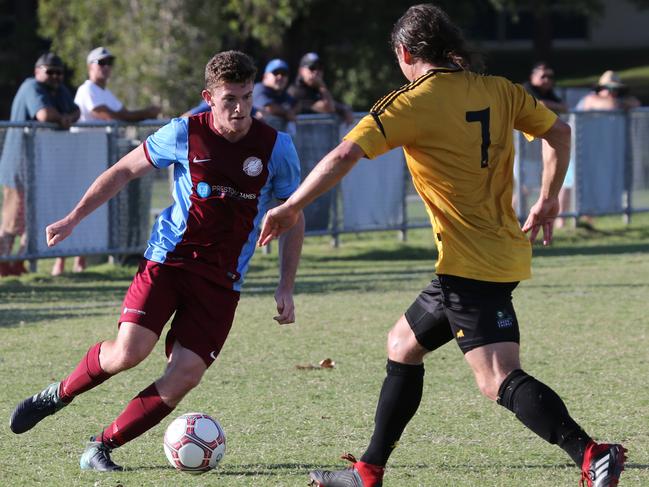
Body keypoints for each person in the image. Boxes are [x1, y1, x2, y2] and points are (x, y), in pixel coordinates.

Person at [259, 5, 625, 487]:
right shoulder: (500, 89)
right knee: (402, 344)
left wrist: (291, 207)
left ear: (405, 52)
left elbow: (346, 152)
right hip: (496, 252)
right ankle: (368, 471)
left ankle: (592, 452)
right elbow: (559, 131)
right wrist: (549, 200)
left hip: (469, 265)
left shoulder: (411, 102)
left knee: (496, 377)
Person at [9, 50, 305, 472]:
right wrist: (74, 218)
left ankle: (101, 446)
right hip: (169, 261)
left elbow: (293, 216)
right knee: (128, 352)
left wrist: (285, 284)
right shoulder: (185, 133)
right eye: (229, 100)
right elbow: (123, 171)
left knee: (185, 374)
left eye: (245, 97)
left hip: (222, 279)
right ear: (209, 97)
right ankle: (58, 394)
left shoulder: (277, 147)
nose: (240, 110)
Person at [50, 46, 162, 276]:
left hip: (97, 158)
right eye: (101, 62)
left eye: (109, 62)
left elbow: (121, 113)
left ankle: (80, 262)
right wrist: (144, 113)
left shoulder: (105, 93)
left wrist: (140, 114)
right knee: (73, 206)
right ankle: (58, 262)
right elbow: (110, 116)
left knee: (90, 207)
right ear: (90, 66)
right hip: (80, 157)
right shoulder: (87, 89)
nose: (106, 66)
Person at [0, 52, 80, 277]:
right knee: (11, 221)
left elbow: (76, 111)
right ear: (37, 72)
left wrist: (66, 118)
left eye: (59, 72)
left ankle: (19, 263)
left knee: (32, 220)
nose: (55, 76)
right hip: (18, 165)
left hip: (40, 167)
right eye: (49, 71)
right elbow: (44, 114)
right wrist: (61, 118)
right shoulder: (31, 87)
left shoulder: (59, 90)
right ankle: (3, 262)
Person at [557, 70, 641, 230]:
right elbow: (612, 105)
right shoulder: (591, 99)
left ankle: (586, 222)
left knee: (588, 184)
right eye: (609, 89)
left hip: (591, 152)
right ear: (600, 88)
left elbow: (635, 103)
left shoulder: (617, 100)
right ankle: (560, 220)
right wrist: (621, 104)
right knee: (567, 185)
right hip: (574, 149)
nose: (612, 93)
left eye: (616, 90)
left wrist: (623, 102)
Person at [288, 52, 354, 125]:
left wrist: (344, 109)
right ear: (301, 71)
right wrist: (322, 86)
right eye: (312, 68)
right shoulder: (296, 91)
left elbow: (333, 104)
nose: (316, 72)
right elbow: (328, 107)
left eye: (320, 68)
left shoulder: (315, 88)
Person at [253, 58, 299, 132]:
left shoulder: (282, 93)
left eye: (284, 74)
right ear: (265, 76)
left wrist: (292, 112)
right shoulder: (258, 89)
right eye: (276, 73)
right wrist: (286, 113)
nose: (280, 77)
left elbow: (297, 104)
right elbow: (269, 108)